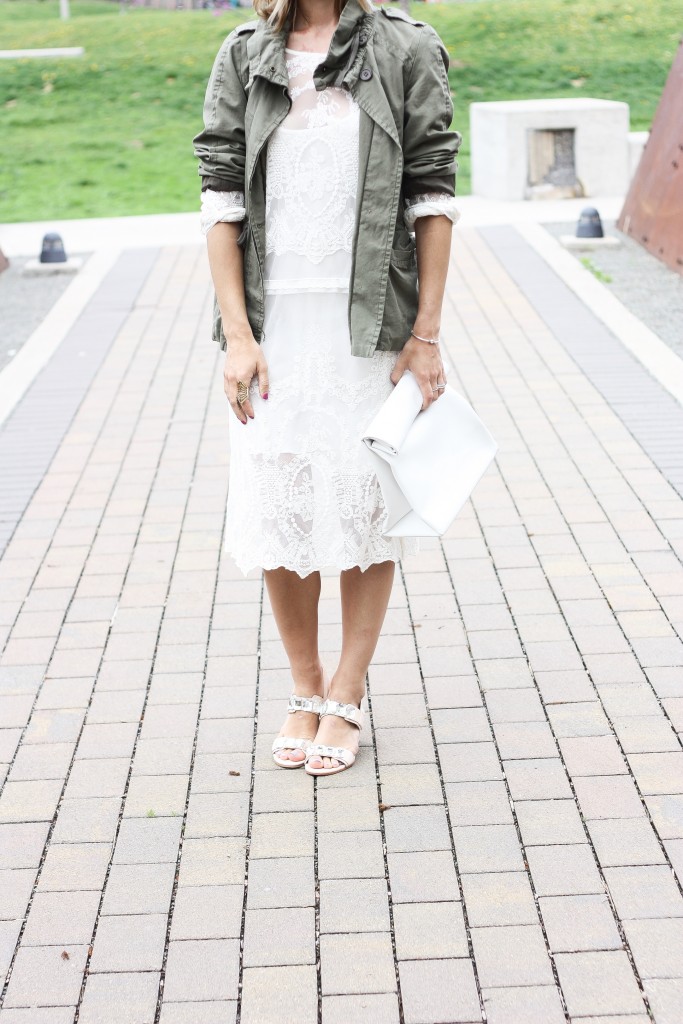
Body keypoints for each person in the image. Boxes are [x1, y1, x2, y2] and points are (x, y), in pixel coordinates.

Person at [193, 0, 461, 776]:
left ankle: (347, 690)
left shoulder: (406, 46)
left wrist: (426, 335)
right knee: (281, 506)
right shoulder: (246, 52)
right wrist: (238, 336)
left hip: (368, 324)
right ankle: (304, 685)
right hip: (273, 325)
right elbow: (221, 200)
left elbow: (432, 194)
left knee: (362, 508)